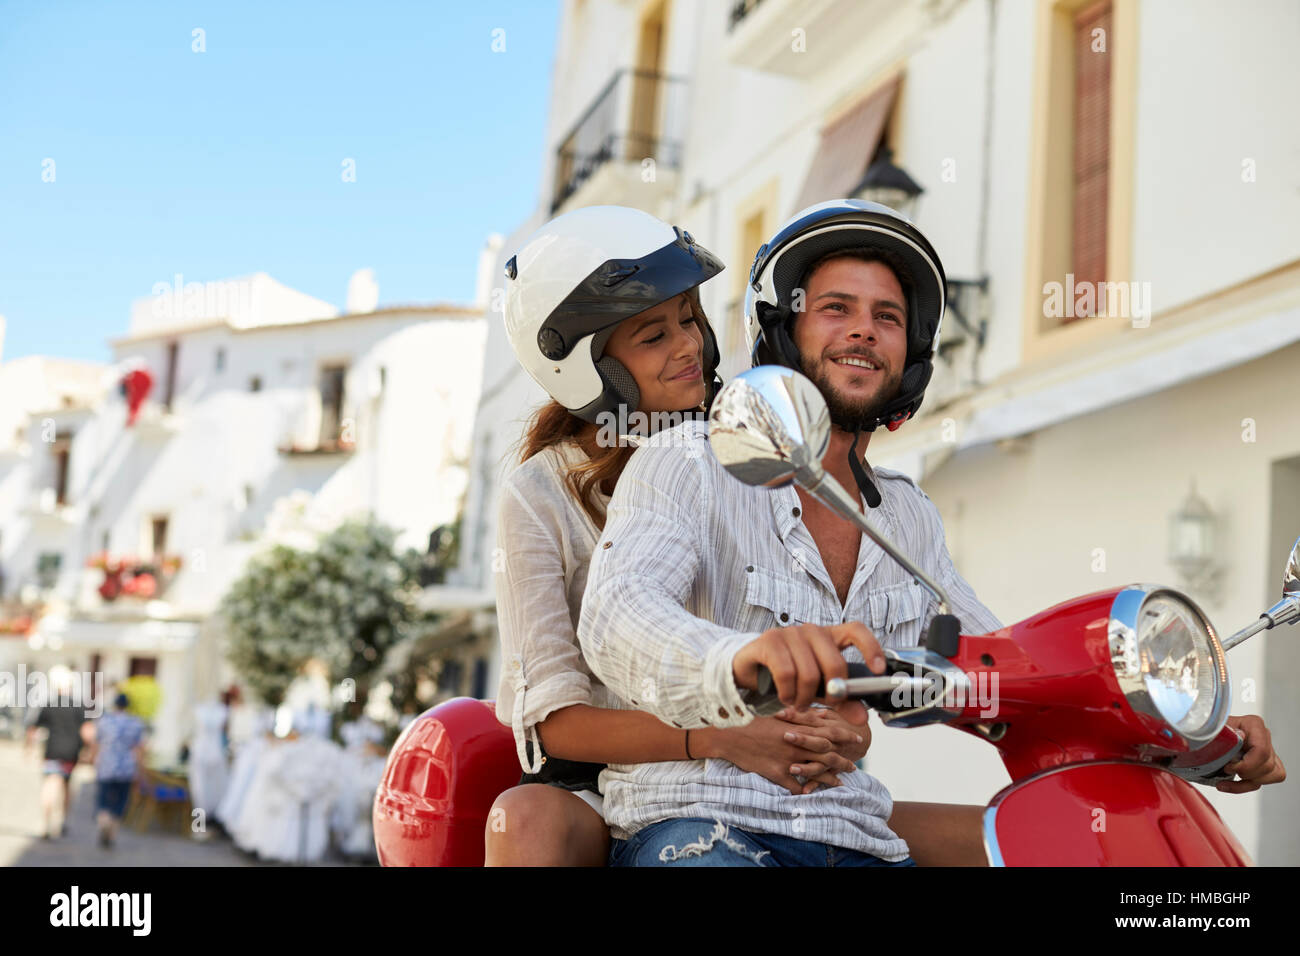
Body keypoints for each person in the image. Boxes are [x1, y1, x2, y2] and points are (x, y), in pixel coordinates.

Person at [577, 199, 1286, 867]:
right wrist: (742, 659)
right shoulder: (691, 458)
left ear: (909, 351)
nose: (863, 329)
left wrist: (1198, 740)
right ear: (782, 330)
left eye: (887, 316)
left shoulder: (907, 518)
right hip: (699, 827)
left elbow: (1016, 673)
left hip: (856, 839)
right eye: (835, 309)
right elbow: (620, 615)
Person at [486, 205, 871, 866]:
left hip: (769, 781)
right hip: (616, 792)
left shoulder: (750, 454)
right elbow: (556, 725)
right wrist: (720, 738)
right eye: (653, 335)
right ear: (586, 365)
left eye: (689, 319)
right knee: (523, 818)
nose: (689, 345)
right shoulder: (539, 495)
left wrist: (839, 719)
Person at [24, 688, 88, 840]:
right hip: (70, 754)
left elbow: (33, 728)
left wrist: (28, 748)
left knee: (50, 784)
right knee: (65, 786)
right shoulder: (78, 706)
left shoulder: (50, 704)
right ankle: (63, 820)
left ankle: (46, 822)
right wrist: (90, 751)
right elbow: (87, 731)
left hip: (52, 751)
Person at [89, 692, 147, 849]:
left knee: (103, 802)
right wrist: (140, 769)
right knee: (120, 803)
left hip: (106, 766)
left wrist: (93, 761)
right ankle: (112, 833)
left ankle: (104, 823)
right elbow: (140, 749)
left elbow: (96, 744)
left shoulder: (104, 721)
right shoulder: (135, 723)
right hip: (126, 769)